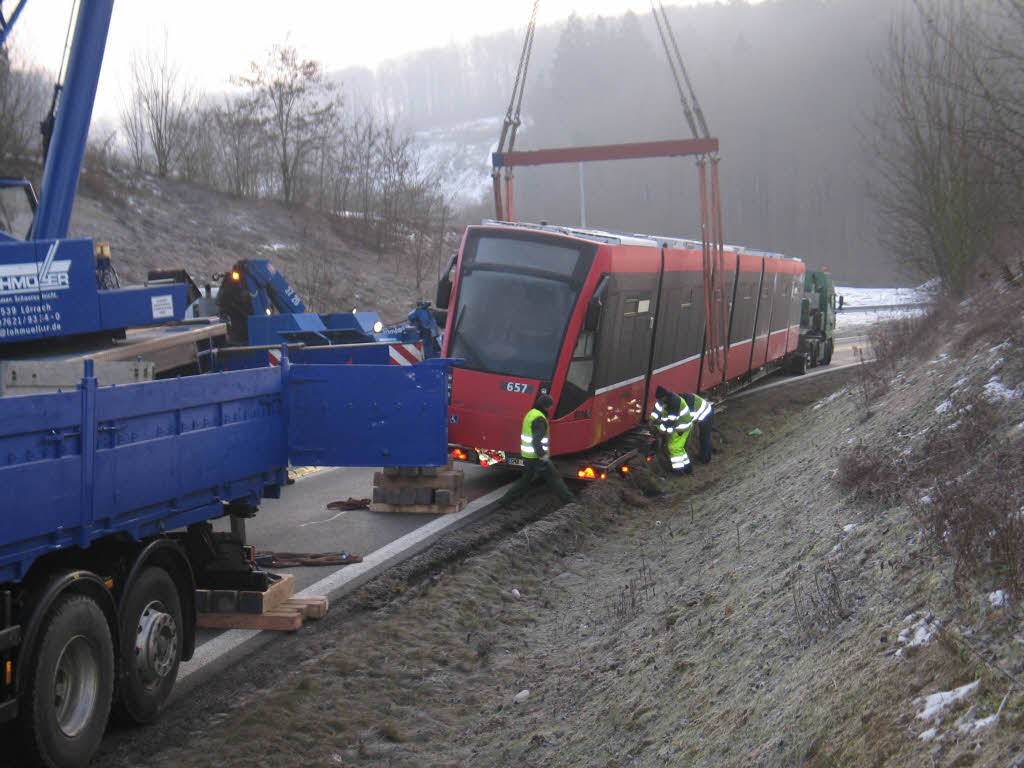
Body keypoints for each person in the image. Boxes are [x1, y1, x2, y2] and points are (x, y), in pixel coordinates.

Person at [500, 394, 574, 506]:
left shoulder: (531, 414)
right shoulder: (540, 419)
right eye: (550, 406)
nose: (551, 409)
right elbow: (536, 441)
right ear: (546, 407)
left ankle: (505, 501)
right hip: (537, 457)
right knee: (554, 478)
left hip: (527, 456)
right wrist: (543, 455)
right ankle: (569, 501)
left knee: (525, 481)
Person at [649, 385, 693, 475]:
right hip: (678, 426)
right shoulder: (663, 400)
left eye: (660, 399)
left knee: (674, 448)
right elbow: (656, 411)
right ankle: (688, 468)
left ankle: (678, 471)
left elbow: (671, 422)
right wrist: (651, 419)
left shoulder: (674, 402)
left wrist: (660, 429)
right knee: (679, 448)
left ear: (664, 396)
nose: (659, 401)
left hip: (681, 427)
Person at [682, 392, 714, 464]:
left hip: (707, 414)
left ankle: (705, 459)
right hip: (703, 413)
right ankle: (705, 457)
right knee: (704, 437)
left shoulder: (689, 401)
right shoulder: (684, 398)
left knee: (704, 437)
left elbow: (690, 418)